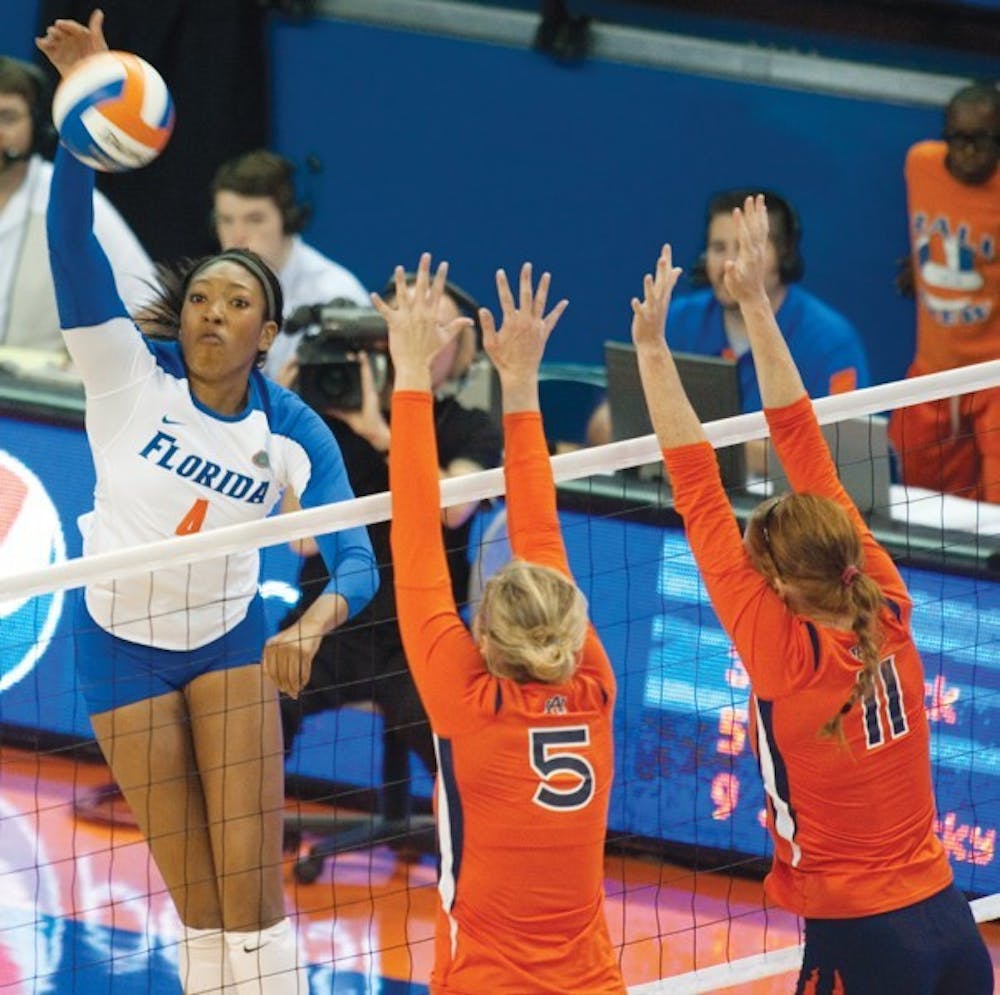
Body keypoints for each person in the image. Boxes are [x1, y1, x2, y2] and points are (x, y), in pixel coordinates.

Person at [37, 12, 377, 994]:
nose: (211, 313)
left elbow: (354, 559)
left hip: (229, 639)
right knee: (195, 899)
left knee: (251, 894)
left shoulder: (293, 430)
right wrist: (80, 122)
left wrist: (313, 620)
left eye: (235, 303)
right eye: (199, 299)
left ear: (266, 331)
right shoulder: (123, 375)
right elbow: (69, 243)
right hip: (117, 644)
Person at [632, 196, 992, 994]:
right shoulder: (884, 600)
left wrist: (652, 351)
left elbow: (696, 484)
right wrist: (759, 301)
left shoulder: (785, 654)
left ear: (786, 585)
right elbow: (804, 440)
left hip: (866, 940)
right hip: (951, 923)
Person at [377, 253, 626, 994]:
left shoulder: (468, 701)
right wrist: (519, 380)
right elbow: (534, 533)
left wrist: (409, 371)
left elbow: (414, 532)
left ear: (483, 637)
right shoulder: (593, 686)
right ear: (571, 630)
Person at [281, 275, 502, 822]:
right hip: (331, 623)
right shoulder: (327, 421)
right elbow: (303, 540)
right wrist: (291, 430)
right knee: (255, 706)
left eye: (438, 329)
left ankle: (472, 860)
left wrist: (385, 433)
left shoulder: (472, 428)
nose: (422, 340)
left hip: (422, 638)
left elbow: (452, 508)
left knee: (461, 751)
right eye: (409, 324)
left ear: (462, 353)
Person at [586, 189, 870, 450]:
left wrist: (689, 440)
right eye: (719, 248)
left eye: (746, 248)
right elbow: (605, 427)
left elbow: (844, 454)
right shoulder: (671, 322)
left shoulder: (831, 342)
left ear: (784, 254)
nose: (730, 264)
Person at [0, 52, 154, 357]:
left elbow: (151, 307)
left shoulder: (71, 204)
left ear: (39, 126)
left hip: (43, 398)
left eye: (7, 118)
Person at [889, 82, 1000, 503]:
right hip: (934, 374)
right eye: (959, 139)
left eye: (983, 140)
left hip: (994, 378)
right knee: (922, 508)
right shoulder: (921, 164)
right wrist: (922, 267)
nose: (969, 151)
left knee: (994, 519)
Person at [211, 148, 369, 382]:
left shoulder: (335, 294)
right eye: (226, 220)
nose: (237, 237)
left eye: (254, 220)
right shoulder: (206, 294)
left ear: (289, 219)